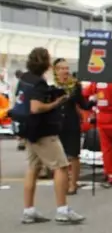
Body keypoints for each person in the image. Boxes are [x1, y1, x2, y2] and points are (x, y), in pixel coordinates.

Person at [14, 48, 84, 224]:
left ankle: (29, 210)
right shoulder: (38, 83)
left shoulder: (24, 79)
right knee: (61, 167)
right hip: (43, 131)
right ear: (45, 63)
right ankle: (62, 209)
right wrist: (55, 102)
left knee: (33, 168)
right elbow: (36, 107)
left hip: (28, 129)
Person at [52, 58, 95, 194]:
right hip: (56, 123)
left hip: (71, 123)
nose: (65, 71)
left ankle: (73, 184)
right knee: (59, 156)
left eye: (66, 68)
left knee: (73, 155)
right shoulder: (51, 86)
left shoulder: (75, 85)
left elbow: (82, 104)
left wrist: (93, 101)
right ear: (56, 70)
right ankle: (62, 182)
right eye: (62, 68)